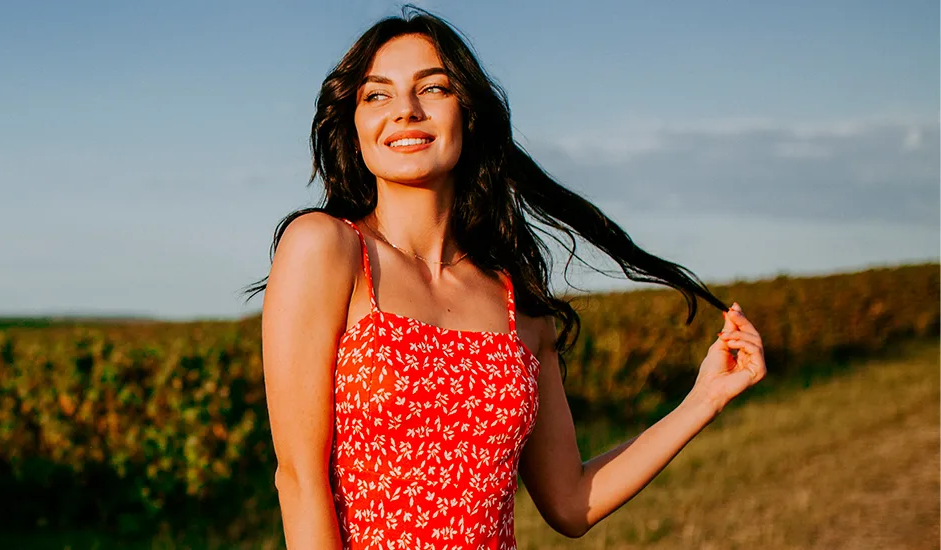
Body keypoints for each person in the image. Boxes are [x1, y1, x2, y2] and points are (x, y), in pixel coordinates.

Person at [241, 6, 769, 549]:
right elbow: (299, 480)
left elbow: (570, 502)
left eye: (434, 88)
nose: (404, 110)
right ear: (353, 126)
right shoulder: (327, 249)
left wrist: (704, 398)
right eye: (376, 95)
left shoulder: (519, 302)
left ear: (467, 113)